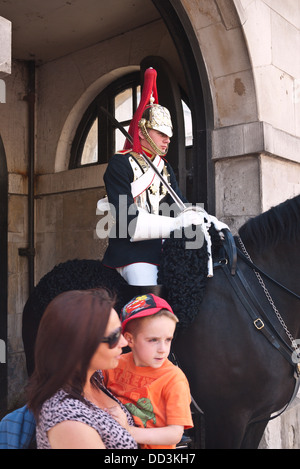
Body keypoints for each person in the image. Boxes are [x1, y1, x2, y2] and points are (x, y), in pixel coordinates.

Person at [99, 67, 212, 289]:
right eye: (161, 134)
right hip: (132, 254)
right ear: (141, 131)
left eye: (169, 136)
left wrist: (203, 220)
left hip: (163, 249)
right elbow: (128, 221)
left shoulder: (165, 167)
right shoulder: (120, 164)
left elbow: (180, 205)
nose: (167, 140)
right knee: (149, 296)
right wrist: (178, 224)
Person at [26, 288, 138, 449]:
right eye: (113, 337)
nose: (124, 343)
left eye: (121, 331)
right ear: (80, 345)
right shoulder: (68, 420)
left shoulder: (95, 377)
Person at [102, 293, 194, 449]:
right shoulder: (114, 364)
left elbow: (175, 434)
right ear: (130, 339)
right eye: (153, 340)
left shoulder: (173, 379)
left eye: (168, 339)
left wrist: (128, 430)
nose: (163, 349)